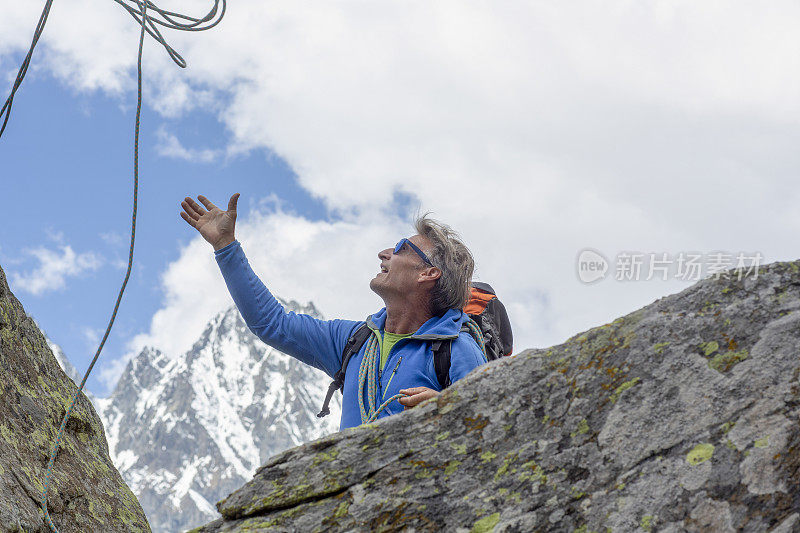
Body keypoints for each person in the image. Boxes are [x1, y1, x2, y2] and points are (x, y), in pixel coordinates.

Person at [180, 193, 487, 430]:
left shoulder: (457, 351)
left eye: (402, 248)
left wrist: (449, 412)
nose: (385, 253)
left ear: (428, 274)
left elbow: (490, 435)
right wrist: (225, 246)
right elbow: (271, 323)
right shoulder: (355, 341)